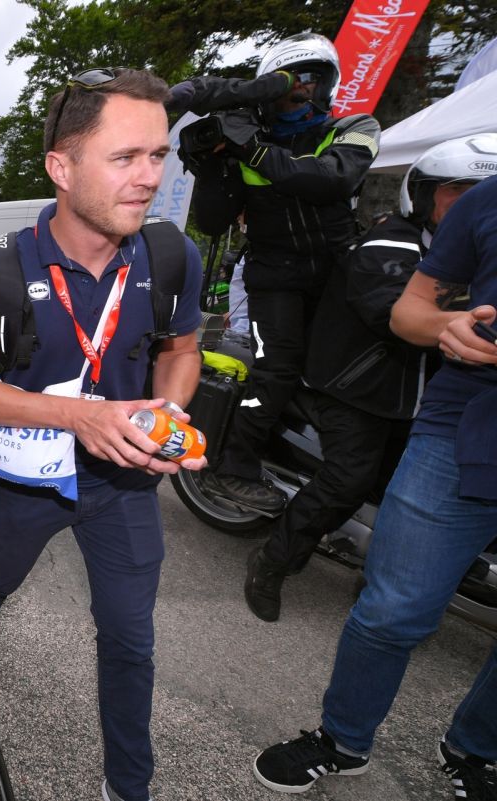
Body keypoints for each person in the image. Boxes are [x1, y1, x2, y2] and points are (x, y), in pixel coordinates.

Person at [0, 68, 205, 801]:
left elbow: (182, 350)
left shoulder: (171, 256)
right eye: (125, 158)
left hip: (125, 484)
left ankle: (129, 788)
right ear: (62, 167)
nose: (149, 177)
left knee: (130, 640)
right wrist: (81, 415)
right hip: (28, 477)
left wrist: (168, 411)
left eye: (158, 156)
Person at [251, 173, 497, 801]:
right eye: (448, 191)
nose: (455, 200)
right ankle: (273, 567)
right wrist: (452, 325)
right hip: (408, 410)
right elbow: (405, 311)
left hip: (400, 401)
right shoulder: (407, 235)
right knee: (359, 509)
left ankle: (477, 749)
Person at [244, 134, 497, 621]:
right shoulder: (390, 244)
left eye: (480, 192)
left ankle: (380, 580)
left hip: (414, 400)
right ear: (422, 194)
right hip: (353, 387)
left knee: (407, 496)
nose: (471, 204)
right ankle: (272, 561)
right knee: (349, 480)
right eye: (457, 191)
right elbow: (390, 312)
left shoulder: (470, 256)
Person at [170, 33, 380, 512]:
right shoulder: (244, 139)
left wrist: (250, 149)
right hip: (274, 276)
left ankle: (324, 464)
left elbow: (333, 179)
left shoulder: (354, 126)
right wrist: (212, 166)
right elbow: (213, 222)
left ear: (327, 85)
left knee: (348, 372)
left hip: (338, 272)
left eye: (311, 79)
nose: (300, 89)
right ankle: (232, 468)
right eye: (290, 81)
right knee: (276, 371)